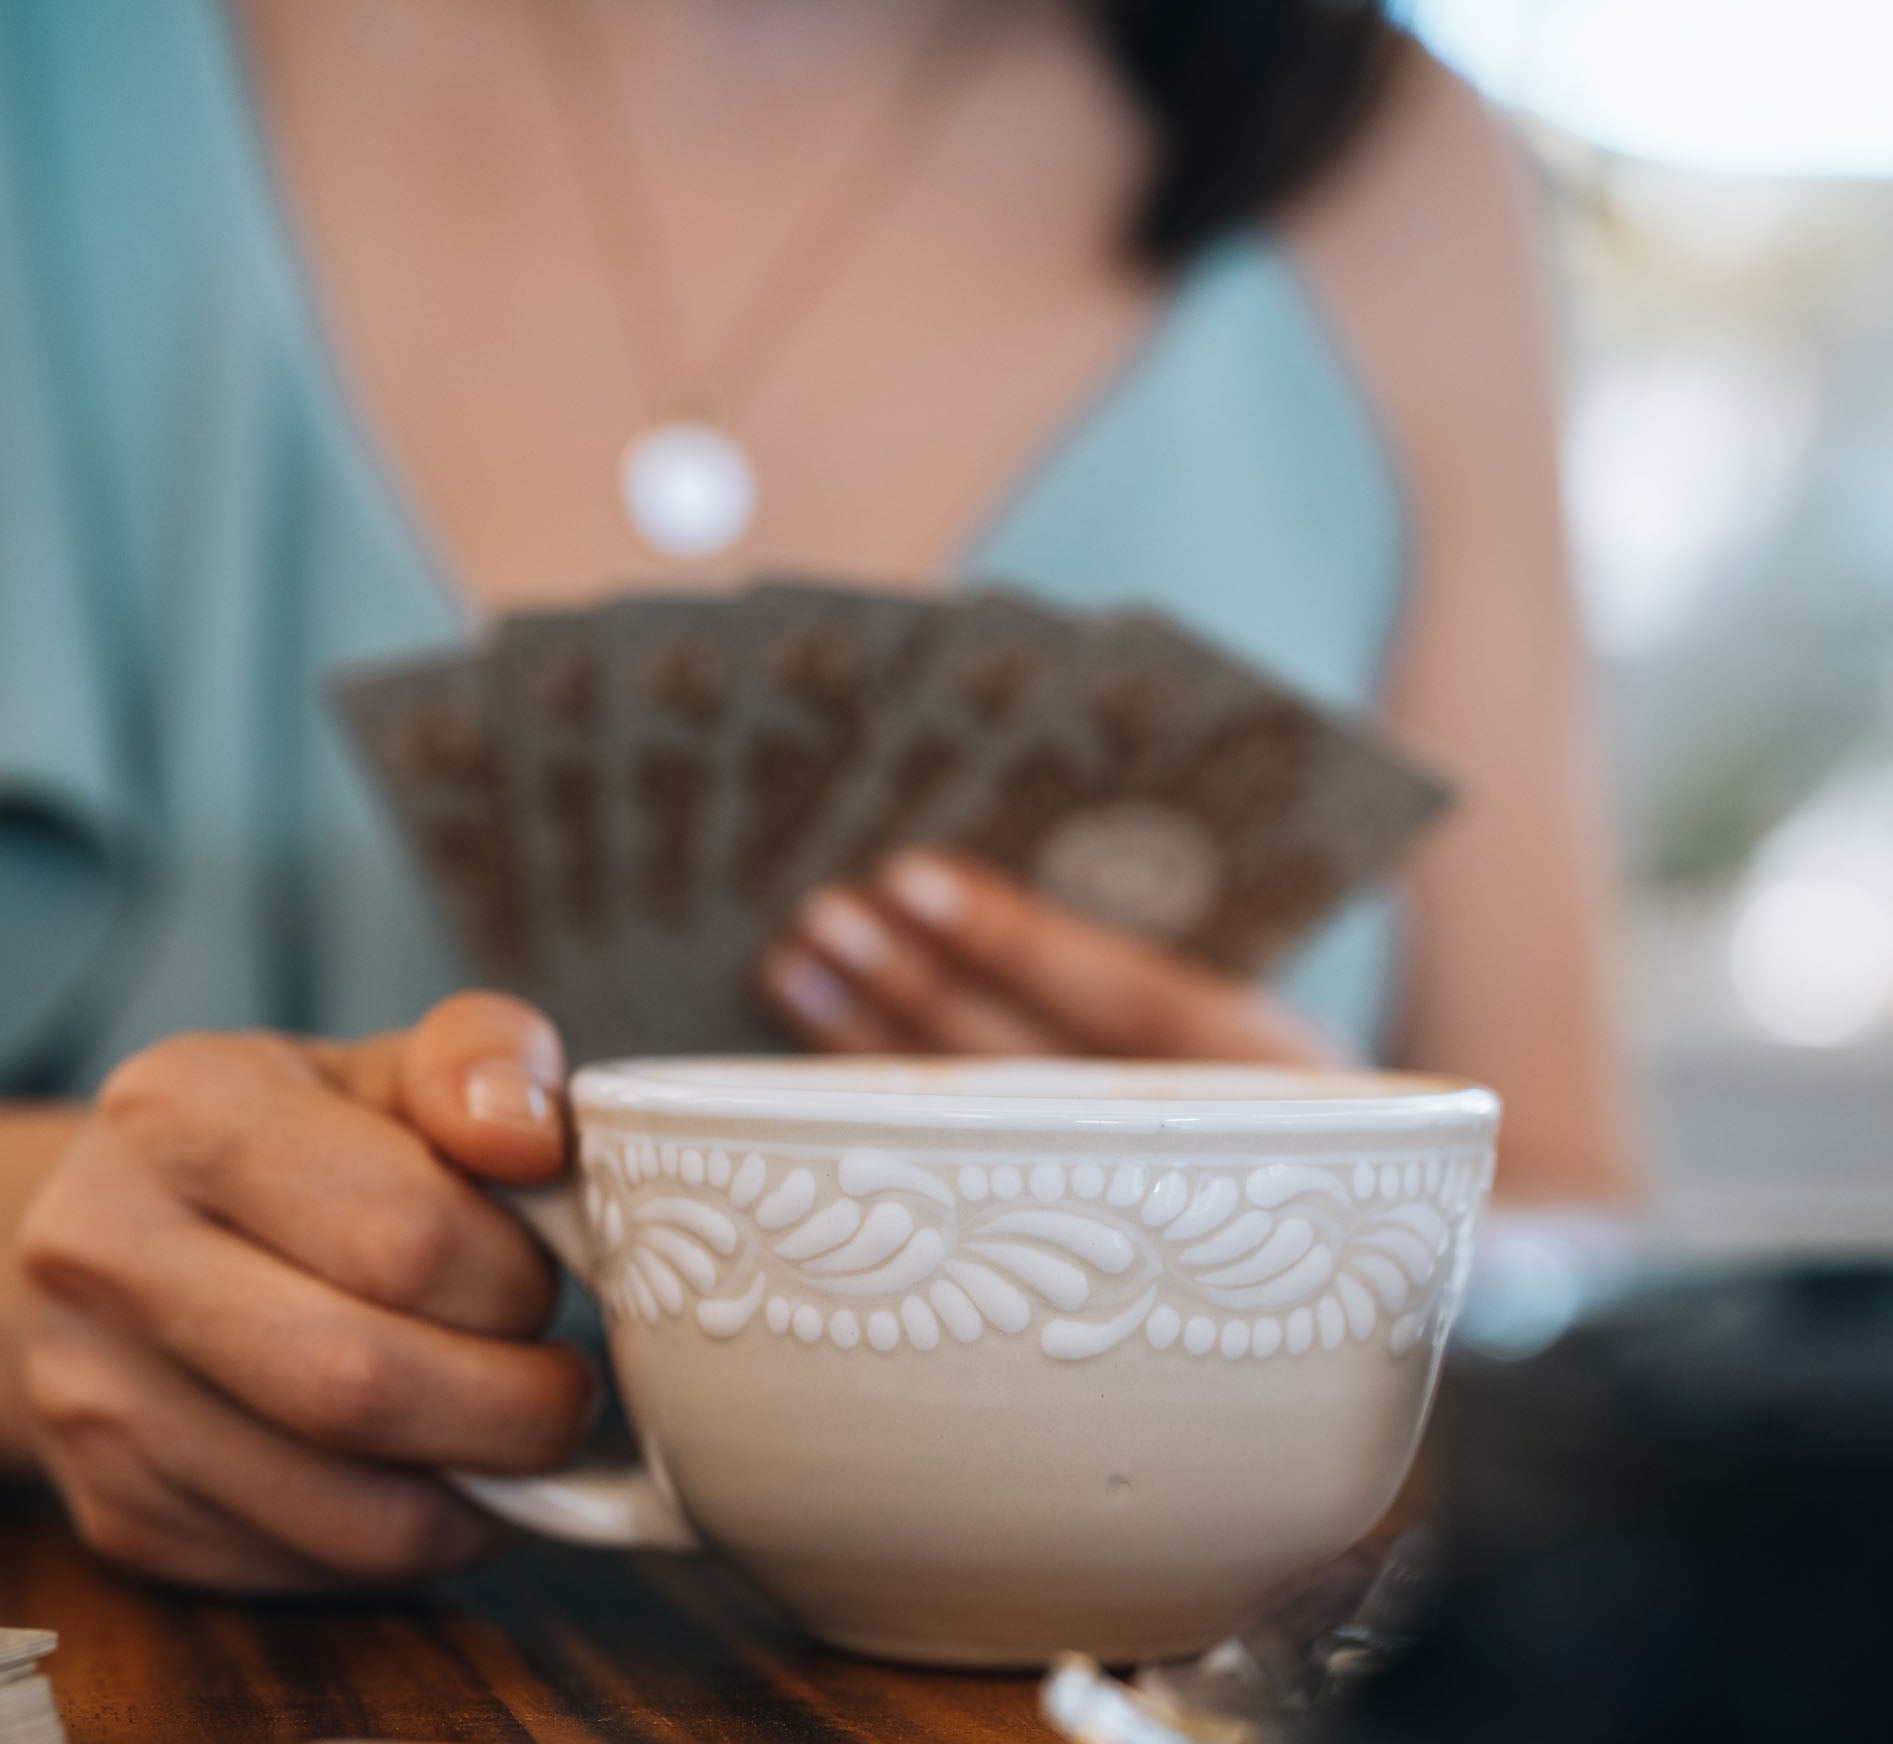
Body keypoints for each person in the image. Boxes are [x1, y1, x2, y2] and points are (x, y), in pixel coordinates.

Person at [0, 0, 1630, 1592]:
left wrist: (1338, 1243)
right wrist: (32, 1275)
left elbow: (1578, 1224)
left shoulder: (1390, 167)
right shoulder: (55, 85)